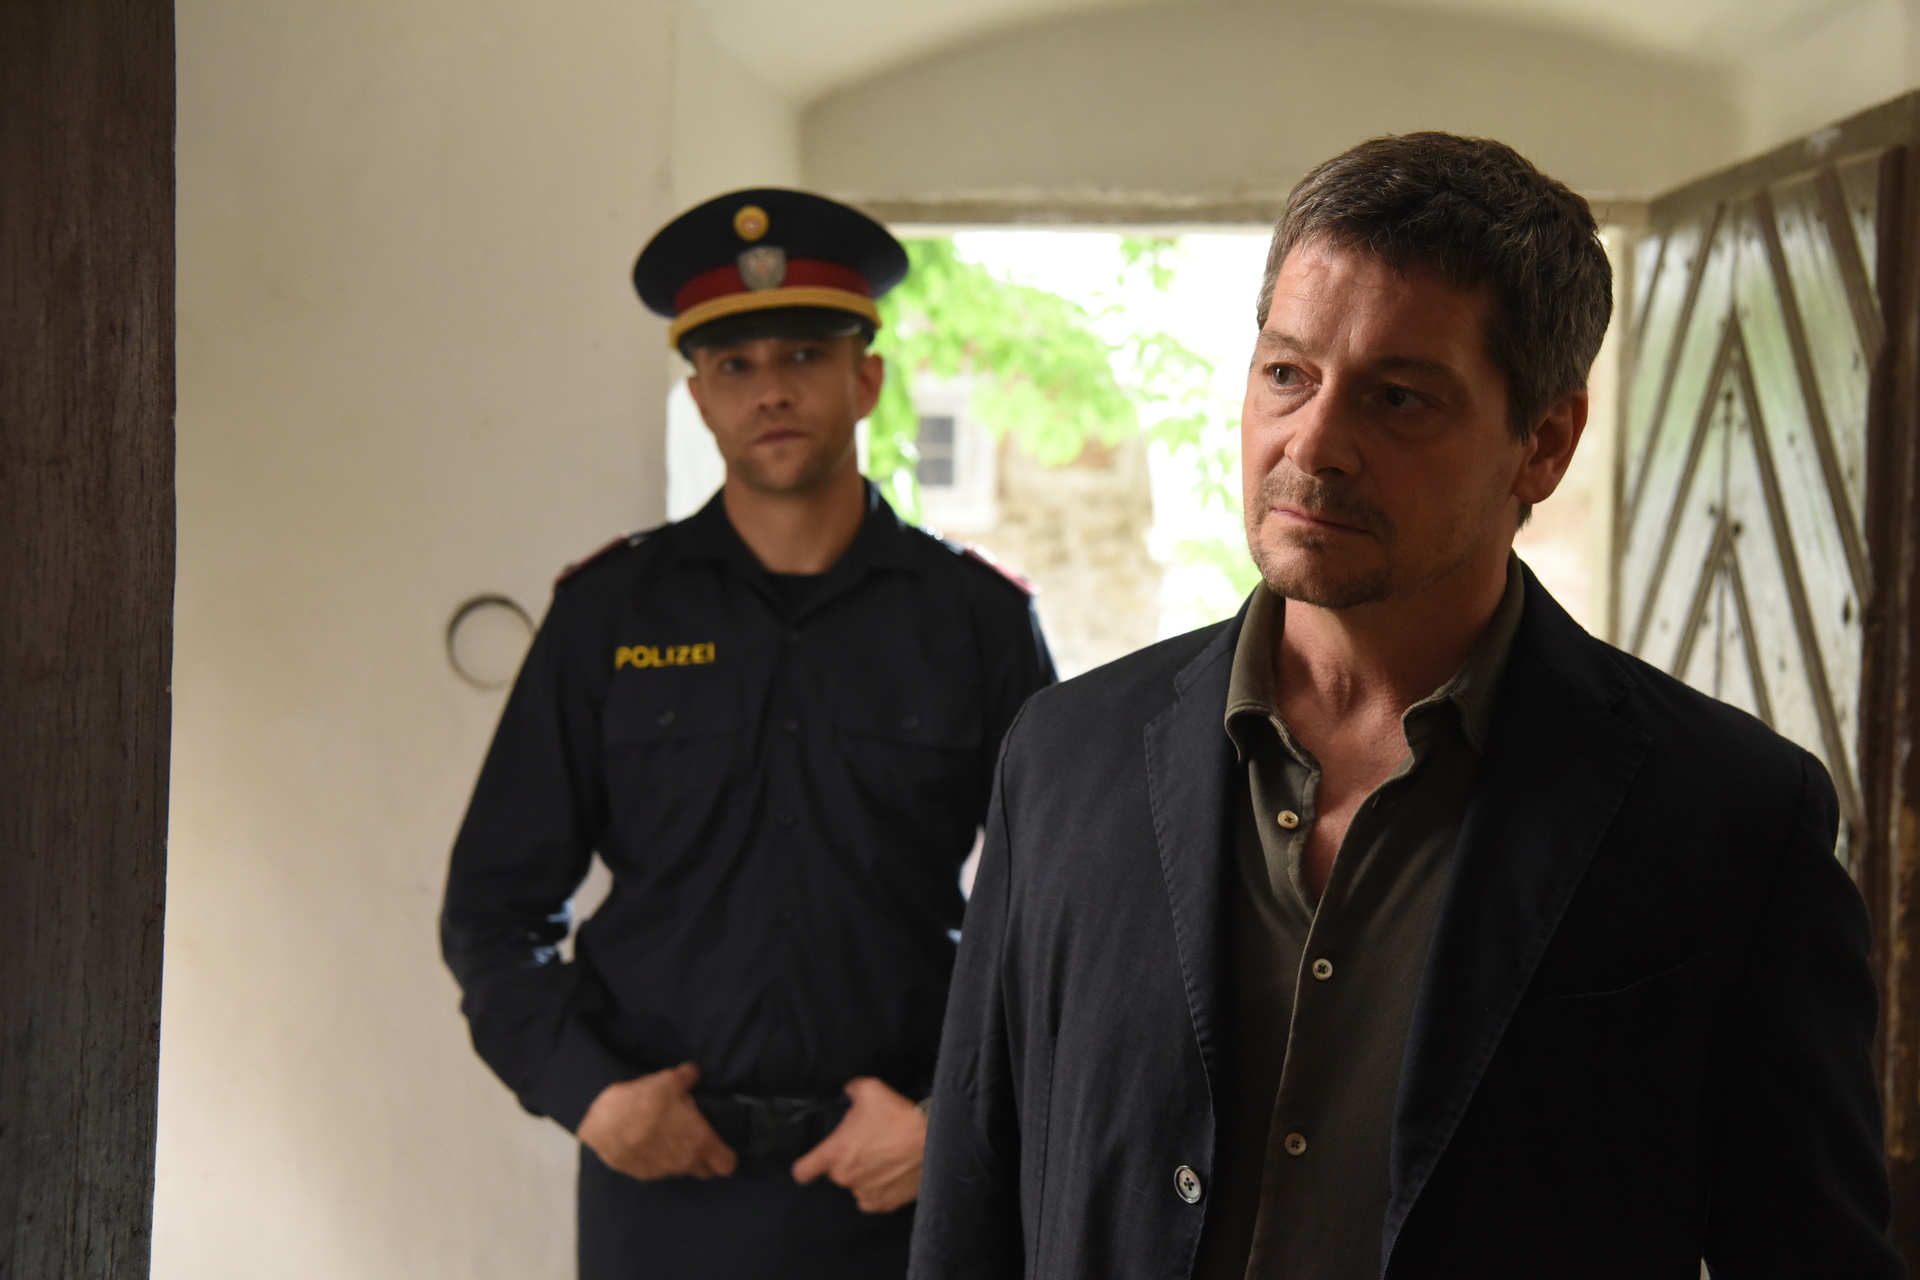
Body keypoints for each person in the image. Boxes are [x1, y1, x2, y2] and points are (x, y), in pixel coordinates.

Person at [909, 134, 1902, 1279]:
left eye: (1397, 398)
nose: (1315, 443)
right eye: (1288, 374)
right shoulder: (1063, 758)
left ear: (1544, 442)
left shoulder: (1728, 816)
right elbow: (971, 1205)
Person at [442, 188, 1055, 1280]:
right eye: (734, 364)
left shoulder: (975, 621)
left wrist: (951, 1118)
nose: (770, 387)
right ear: (699, 398)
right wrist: (590, 1093)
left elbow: (1061, 921)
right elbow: (493, 908)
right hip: (665, 1195)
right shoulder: (608, 616)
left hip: (903, 1186)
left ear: (866, 379)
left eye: (805, 354)